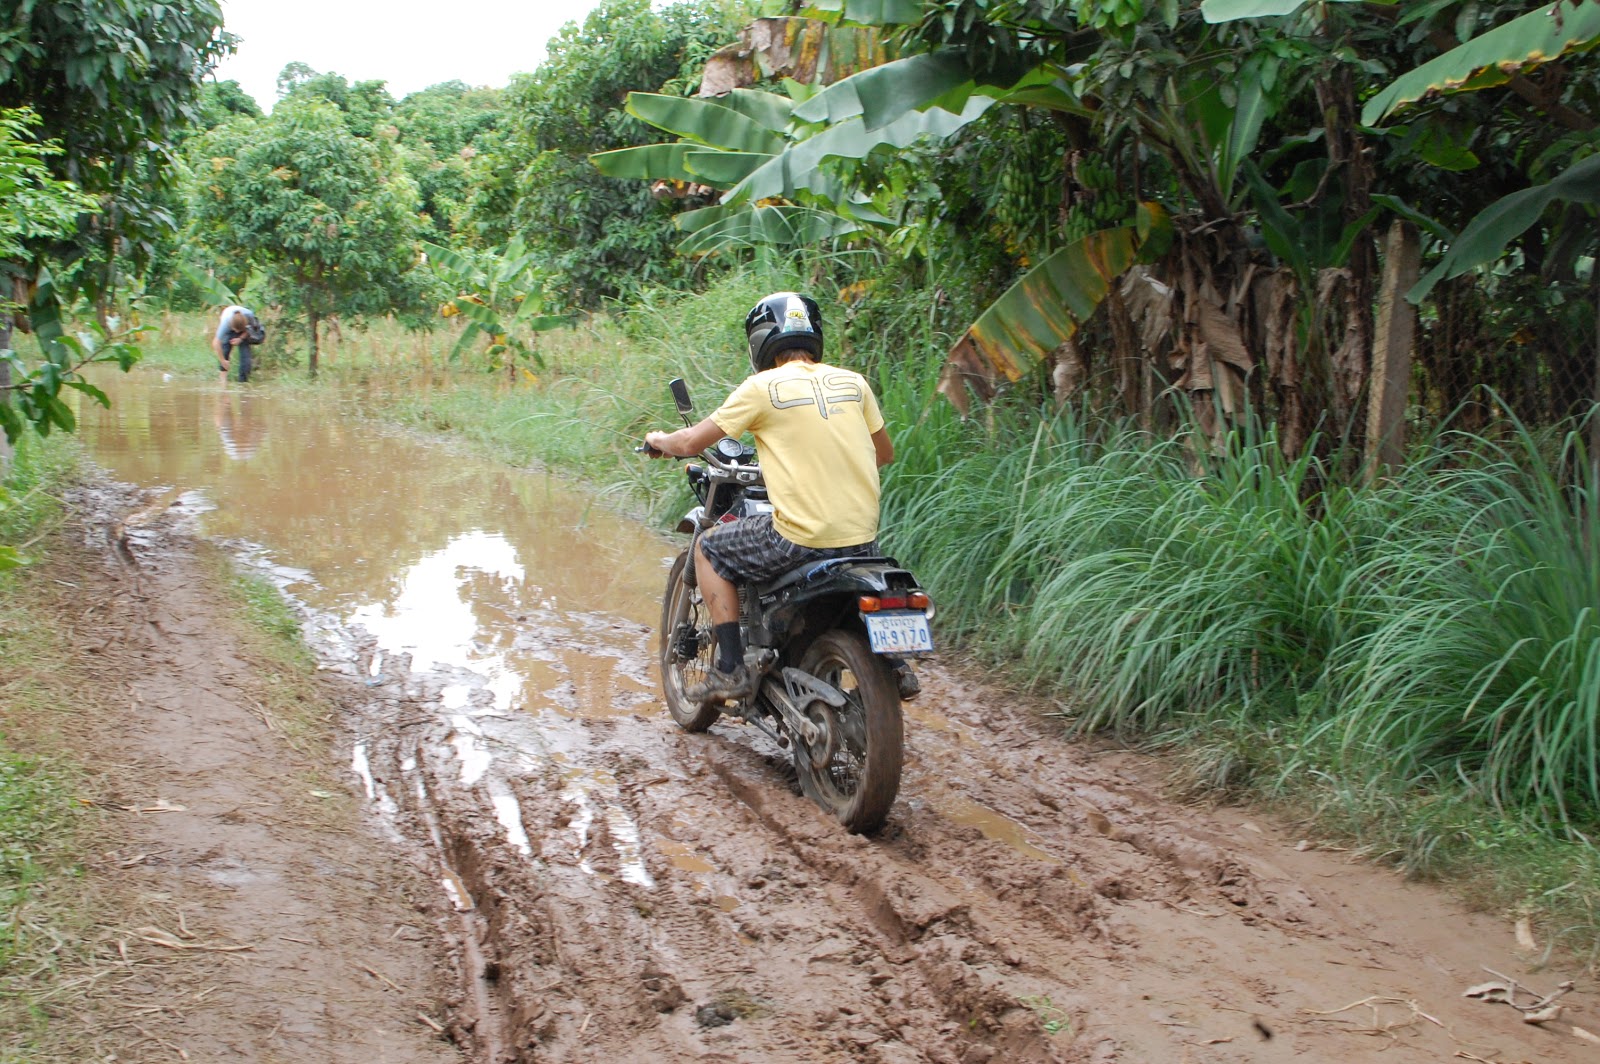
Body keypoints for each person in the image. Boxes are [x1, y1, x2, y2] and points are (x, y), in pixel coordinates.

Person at [645, 292, 896, 704]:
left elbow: (690, 442)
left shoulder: (761, 388)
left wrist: (658, 439)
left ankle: (729, 669)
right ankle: (893, 664)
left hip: (800, 539)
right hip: (864, 540)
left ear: (759, 342)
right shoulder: (855, 383)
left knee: (708, 548)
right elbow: (883, 454)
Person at [213, 304, 259, 382]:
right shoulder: (226, 323)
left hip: (245, 329)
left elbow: (250, 330)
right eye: (235, 330)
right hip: (230, 322)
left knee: (245, 356)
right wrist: (222, 360)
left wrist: (240, 338)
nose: (236, 332)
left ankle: (243, 382)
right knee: (225, 350)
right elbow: (216, 342)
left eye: (239, 331)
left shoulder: (249, 316)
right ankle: (223, 381)